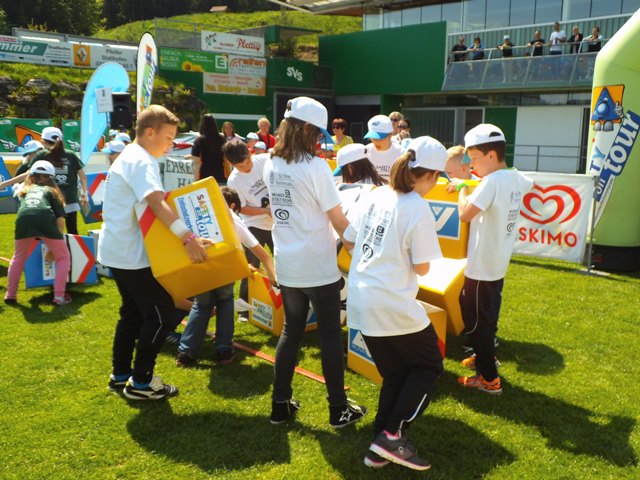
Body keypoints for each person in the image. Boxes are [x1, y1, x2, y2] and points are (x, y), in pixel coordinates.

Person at [343, 136, 446, 471]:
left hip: (362, 298)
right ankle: (392, 434)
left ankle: (380, 441)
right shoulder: (417, 206)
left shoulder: (376, 194)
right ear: (431, 175)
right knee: (429, 366)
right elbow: (423, 267)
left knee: (396, 372)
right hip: (391, 301)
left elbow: (349, 239)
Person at [263, 96, 367, 428]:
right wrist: (367, 247)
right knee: (329, 336)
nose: (321, 140)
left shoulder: (270, 162)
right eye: (318, 133)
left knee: (291, 332)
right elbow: (340, 223)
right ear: (307, 129)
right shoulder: (316, 167)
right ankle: (338, 409)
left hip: (288, 263)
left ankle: (280, 404)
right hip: (318, 267)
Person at [98, 105, 211, 401]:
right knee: (161, 313)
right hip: (130, 254)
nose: (171, 144)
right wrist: (188, 238)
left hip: (117, 250)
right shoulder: (142, 160)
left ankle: (121, 374)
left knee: (132, 313)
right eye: (169, 137)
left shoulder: (130, 155)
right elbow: (156, 204)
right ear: (150, 132)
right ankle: (141, 382)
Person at [448, 124, 534, 395]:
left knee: (475, 322)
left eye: (474, 159)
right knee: (487, 315)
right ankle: (487, 357)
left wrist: (463, 187)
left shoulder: (491, 182)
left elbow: (465, 214)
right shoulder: (515, 177)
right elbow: (528, 183)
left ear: (491, 155)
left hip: (481, 266)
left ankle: (489, 379)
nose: (471, 166)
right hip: (496, 263)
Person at [177, 186, 277, 367]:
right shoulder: (232, 219)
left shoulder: (193, 215)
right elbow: (260, 252)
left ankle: (186, 353)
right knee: (225, 303)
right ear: (231, 205)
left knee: (201, 305)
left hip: (199, 267)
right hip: (224, 270)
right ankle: (224, 351)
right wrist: (272, 276)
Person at [4, 160, 71, 306]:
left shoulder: (24, 191)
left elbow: (30, 212)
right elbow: (60, 221)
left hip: (23, 219)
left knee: (18, 258)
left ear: (31, 176)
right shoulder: (53, 192)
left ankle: (10, 295)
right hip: (45, 219)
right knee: (63, 257)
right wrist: (57, 241)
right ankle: (59, 297)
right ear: (51, 178)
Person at [225, 139, 274, 320]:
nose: (246, 167)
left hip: (277, 222)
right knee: (251, 267)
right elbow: (242, 207)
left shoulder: (265, 160)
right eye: (240, 166)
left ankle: (284, 299)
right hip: (254, 224)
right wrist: (266, 211)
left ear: (250, 152)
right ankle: (244, 308)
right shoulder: (234, 180)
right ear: (232, 164)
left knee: (285, 259)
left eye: (247, 161)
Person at [28, 127, 87, 235]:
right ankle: (72, 247)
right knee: (73, 231)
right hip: (70, 199)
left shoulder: (42, 155)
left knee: (51, 232)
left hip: (50, 199)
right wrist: (84, 194)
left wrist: (6, 183)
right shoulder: (70, 154)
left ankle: (55, 246)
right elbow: (83, 176)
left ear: (44, 141)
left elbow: (28, 174)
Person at [364, 114, 404, 181]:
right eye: (373, 138)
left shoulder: (401, 153)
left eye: (380, 138)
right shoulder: (365, 152)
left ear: (390, 135)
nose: (376, 141)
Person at [192, 113, 227, 183]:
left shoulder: (199, 140)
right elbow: (226, 160)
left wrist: (194, 179)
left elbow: (196, 162)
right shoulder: (222, 139)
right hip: (220, 173)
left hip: (205, 175)